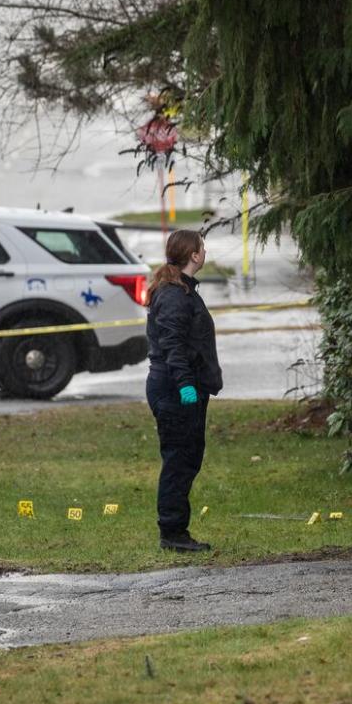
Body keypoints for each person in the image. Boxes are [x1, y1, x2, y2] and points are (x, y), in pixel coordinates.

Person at [146, 229, 223, 552]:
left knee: (188, 457)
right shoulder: (175, 295)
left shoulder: (183, 290)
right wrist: (187, 388)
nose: (204, 252)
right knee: (179, 458)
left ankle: (176, 528)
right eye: (202, 248)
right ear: (193, 255)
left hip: (184, 387)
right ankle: (173, 532)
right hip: (176, 389)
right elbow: (173, 347)